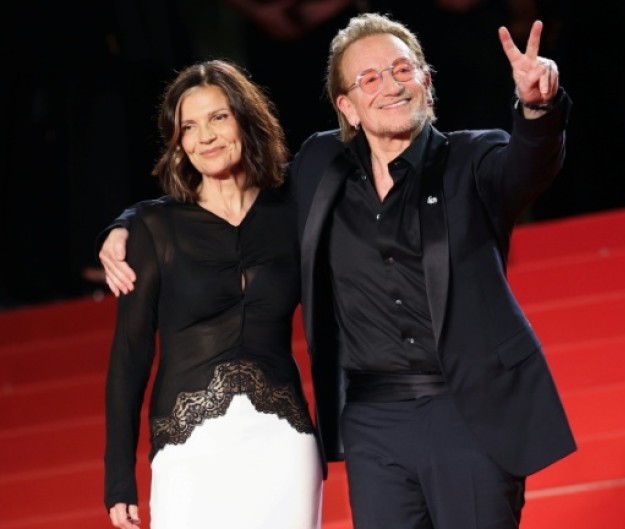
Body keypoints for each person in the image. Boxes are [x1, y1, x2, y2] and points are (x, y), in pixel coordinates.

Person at [100, 13, 575, 529]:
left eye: (401, 70)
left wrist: (537, 107)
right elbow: (216, 207)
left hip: (467, 409)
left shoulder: (473, 159)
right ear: (347, 106)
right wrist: (124, 224)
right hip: (372, 422)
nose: (389, 86)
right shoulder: (320, 167)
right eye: (368, 78)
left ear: (426, 81)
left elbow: (528, 166)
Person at [102, 60, 323, 529]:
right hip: (188, 449)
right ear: (178, 143)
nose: (205, 136)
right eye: (189, 126)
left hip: (284, 442)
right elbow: (130, 354)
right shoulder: (153, 229)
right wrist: (119, 475)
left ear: (246, 119)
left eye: (219, 117)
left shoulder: (292, 212)